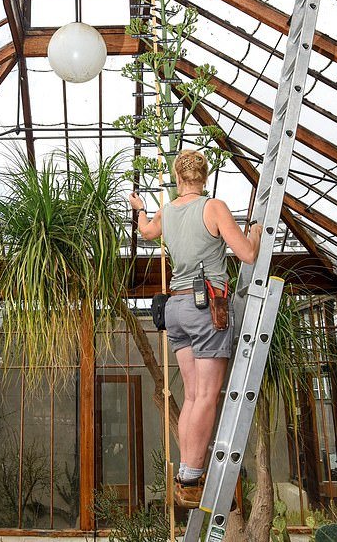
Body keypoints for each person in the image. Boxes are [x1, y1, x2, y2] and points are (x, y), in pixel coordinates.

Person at [129, 149, 263, 508]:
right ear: (205, 176)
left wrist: (139, 207)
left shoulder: (167, 210)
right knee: (205, 397)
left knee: (191, 396)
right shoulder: (213, 207)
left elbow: (145, 232)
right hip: (207, 309)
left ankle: (187, 474)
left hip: (176, 309)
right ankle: (191, 480)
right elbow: (247, 254)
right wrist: (256, 232)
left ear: (177, 176)